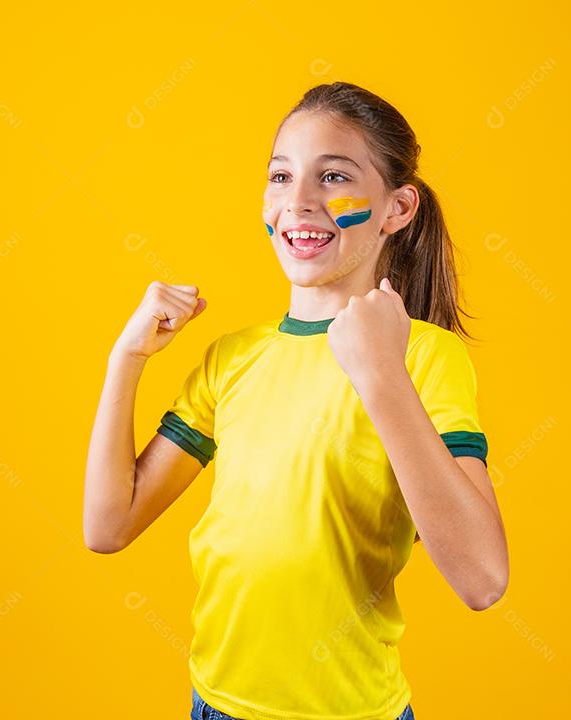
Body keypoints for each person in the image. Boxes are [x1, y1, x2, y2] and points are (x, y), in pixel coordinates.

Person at [84, 81, 509, 720]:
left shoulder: (423, 358)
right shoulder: (232, 358)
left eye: (333, 176)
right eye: (281, 177)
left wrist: (381, 376)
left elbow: (482, 578)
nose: (299, 203)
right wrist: (127, 359)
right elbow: (108, 526)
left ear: (397, 207)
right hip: (216, 706)